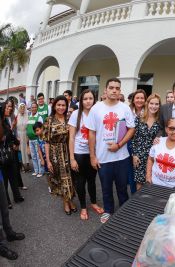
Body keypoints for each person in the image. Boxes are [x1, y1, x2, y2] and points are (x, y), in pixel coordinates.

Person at [87, 78, 135, 224]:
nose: (114, 90)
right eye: (111, 87)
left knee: (122, 188)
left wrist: (119, 145)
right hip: (103, 158)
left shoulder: (125, 108)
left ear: (120, 91)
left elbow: (131, 129)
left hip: (122, 157)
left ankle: (124, 211)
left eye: (117, 88)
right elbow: (91, 133)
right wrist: (92, 156)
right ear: (106, 90)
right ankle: (108, 211)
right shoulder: (96, 108)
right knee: (106, 188)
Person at [69, 89, 104, 221]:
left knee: (91, 180)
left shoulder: (97, 113)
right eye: (85, 99)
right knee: (80, 181)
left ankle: (93, 202)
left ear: (94, 100)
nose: (88, 101)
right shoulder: (76, 115)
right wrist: (72, 158)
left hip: (93, 153)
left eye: (90, 98)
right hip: (79, 153)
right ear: (81, 101)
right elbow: (71, 137)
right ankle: (83, 206)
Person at [43, 95, 77, 215]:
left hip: (67, 152)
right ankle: (65, 202)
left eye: (63, 105)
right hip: (55, 154)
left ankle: (70, 200)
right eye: (59, 105)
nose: (61, 107)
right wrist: (48, 161)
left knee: (70, 179)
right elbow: (46, 142)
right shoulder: (49, 120)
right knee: (61, 179)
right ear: (54, 106)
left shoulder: (69, 119)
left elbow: (72, 137)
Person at [131, 94, 162, 190]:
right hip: (139, 156)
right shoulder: (139, 118)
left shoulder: (160, 120)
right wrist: (134, 154)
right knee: (139, 183)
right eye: (151, 103)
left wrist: (159, 137)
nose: (154, 106)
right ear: (147, 104)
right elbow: (133, 138)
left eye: (156, 104)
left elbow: (163, 133)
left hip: (153, 156)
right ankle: (138, 203)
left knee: (152, 182)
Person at [1, 100, 24, 210]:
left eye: (10, 107)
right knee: (4, 180)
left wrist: (15, 142)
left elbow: (10, 136)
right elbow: (7, 135)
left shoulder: (5, 121)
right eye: (6, 108)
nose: (9, 109)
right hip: (2, 155)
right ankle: (7, 202)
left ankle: (17, 197)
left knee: (13, 176)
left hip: (10, 153)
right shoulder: (1, 122)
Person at [128, 89, 147, 193]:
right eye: (137, 98)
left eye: (142, 98)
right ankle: (133, 196)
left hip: (144, 147)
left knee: (143, 175)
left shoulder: (149, 112)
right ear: (133, 100)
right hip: (128, 143)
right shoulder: (128, 111)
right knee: (132, 174)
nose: (139, 100)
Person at [26, 102, 44, 178]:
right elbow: (28, 128)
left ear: (37, 108)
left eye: (35, 107)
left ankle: (41, 171)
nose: (33, 108)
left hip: (36, 140)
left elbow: (41, 129)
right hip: (30, 140)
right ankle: (36, 170)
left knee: (38, 155)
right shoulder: (29, 116)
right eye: (32, 107)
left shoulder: (39, 117)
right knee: (33, 156)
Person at [16, 103, 29, 172]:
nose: (22, 109)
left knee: (25, 150)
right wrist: (16, 136)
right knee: (20, 150)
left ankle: (27, 165)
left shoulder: (27, 116)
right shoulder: (17, 116)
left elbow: (28, 127)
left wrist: (28, 137)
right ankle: (22, 165)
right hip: (19, 135)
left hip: (25, 134)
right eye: (21, 108)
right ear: (19, 109)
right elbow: (15, 127)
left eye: (23, 108)